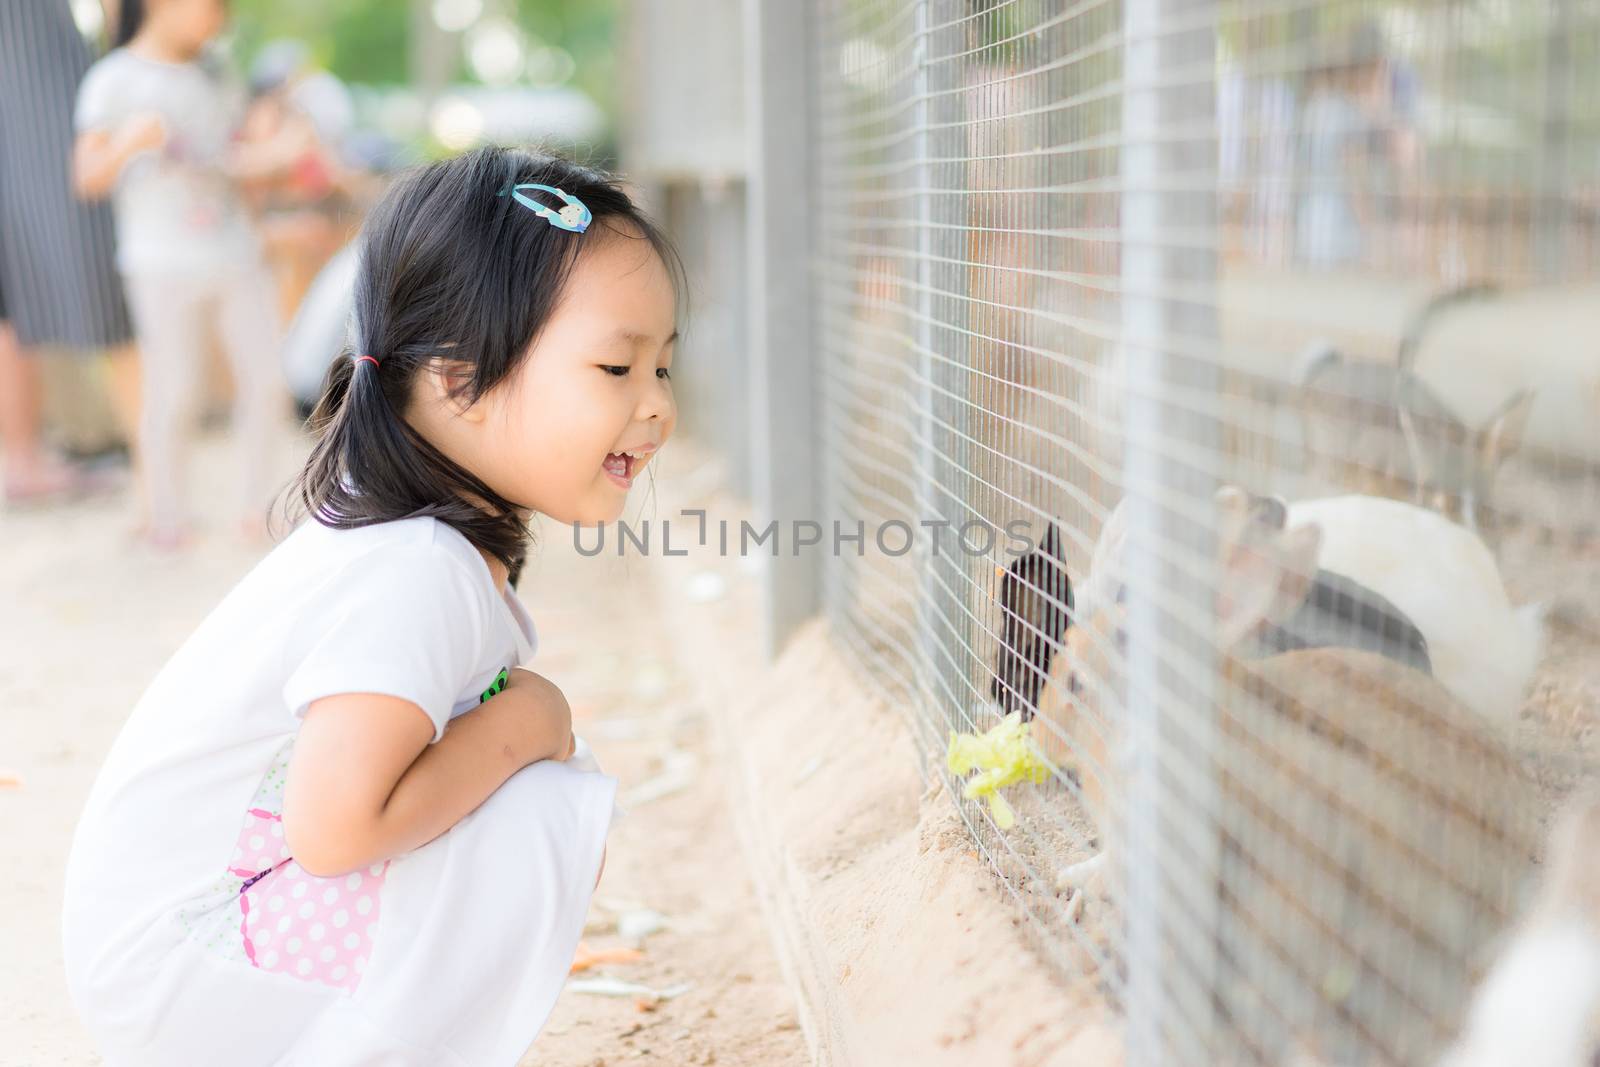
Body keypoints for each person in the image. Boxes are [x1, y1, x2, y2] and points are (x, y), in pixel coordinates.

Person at [60, 146, 682, 1064]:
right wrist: (533, 717)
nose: (657, 407)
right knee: (543, 811)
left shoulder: (407, 547)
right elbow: (337, 828)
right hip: (184, 975)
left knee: (529, 797)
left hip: (171, 963)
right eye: (615, 368)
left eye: (663, 368)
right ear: (459, 379)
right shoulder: (413, 571)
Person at [72, 0, 300, 550]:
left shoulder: (218, 73)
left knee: (267, 381)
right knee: (173, 392)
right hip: (160, 259)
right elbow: (86, 177)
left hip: (236, 253)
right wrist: (130, 142)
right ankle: (166, 515)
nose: (219, 16)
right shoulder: (114, 78)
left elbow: (231, 162)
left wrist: (276, 157)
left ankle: (257, 507)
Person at [0, 0, 140, 507]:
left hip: (34, 83)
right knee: (91, 269)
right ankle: (142, 457)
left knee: (14, 295)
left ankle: (23, 459)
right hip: (40, 89)